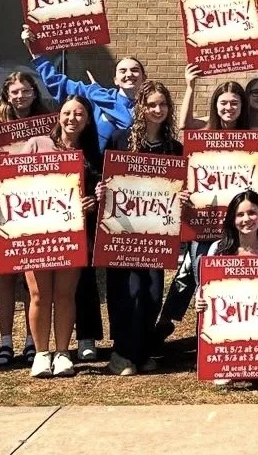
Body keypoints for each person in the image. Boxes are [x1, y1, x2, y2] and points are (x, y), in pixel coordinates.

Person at [99, 81, 184, 376]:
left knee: (151, 292)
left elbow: (180, 187)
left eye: (162, 105)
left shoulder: (174, 148)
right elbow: (104, 175)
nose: (157, 110)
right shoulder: (120, 140)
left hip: (157, 233)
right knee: (127, 292)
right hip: (123, 231)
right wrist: (102, 190)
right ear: (141, 108)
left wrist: (181, 195)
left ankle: (142, 350)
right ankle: (121, 354)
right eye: (151, 105)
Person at [19, 96, 101, 377]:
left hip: (72, 234)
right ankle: (42, 354)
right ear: (59, 116)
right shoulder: (37, 145)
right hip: (36, 233)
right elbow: (14, 183)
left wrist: (93, 201)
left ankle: (64, 352)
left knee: (65, 295)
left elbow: (96, 190)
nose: (72, 118)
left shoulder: (91, 152)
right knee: (39, 294)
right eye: (67, 113)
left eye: (79, 114)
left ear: (88, 119)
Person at [193, 190, 258, 385]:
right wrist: (199, 300)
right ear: (232, 219)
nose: (247, 219)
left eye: (252, 213)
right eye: (240, 214)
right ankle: (225, 365)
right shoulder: (218, 250)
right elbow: (205, 289)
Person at [0, 71, 49, 366]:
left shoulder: (48, 125)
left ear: (35, 93)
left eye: (26, 91)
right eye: (15, 92)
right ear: (6, 96)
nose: (20, 97)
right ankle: (4, 342)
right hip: (3, 207)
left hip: (35, 209)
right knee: (5, 279)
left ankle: (30, 340)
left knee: (30, 282)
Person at [22, 25, 145, 152]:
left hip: (132, 169)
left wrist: (97, 92)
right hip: (95, 167)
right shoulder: (92, 95)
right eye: (123, 71)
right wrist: (36, 51)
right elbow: (57, 83)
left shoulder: (153, 105)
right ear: (115, 80)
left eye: (135, 70)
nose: (129, 74)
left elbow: (129, 122)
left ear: (144, 77)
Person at [178, 66, 251, 131]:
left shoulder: (251, 125)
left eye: (234, 103)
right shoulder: (208, 123)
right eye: (223, 103)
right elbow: (184, 125)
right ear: (215, 104)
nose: (228, 107)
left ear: (242, 105)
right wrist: (190, 87)